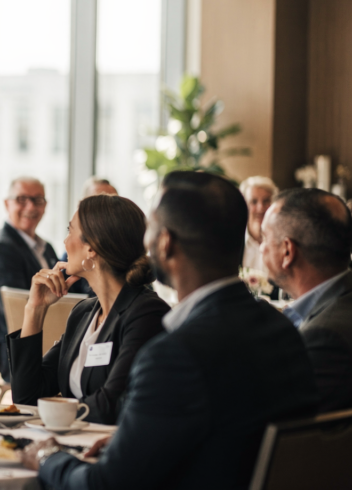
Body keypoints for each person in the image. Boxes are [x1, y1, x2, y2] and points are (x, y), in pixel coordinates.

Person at [23, 171, 318, 490]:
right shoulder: (284, 330)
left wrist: (49, 458)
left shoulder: (174, 354)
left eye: (152, 229)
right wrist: (134, 444)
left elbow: (105, 485)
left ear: (165, 243)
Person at [5, 195, 170, 425]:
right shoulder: (83, 313)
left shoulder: (146, 314)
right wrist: (35, 309)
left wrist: (52, 418)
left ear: (91, 247)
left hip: (109, 451)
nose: (64, 241)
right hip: (72, 443)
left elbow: (111, 405)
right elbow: (27, 398)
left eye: (70, 231)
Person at [260, 188, 352, 412]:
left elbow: (285, 423)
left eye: (265, 238)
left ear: (287, 252)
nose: (261, 248)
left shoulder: (325, 337)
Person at [0, 177, 59, 380]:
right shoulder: (1, 250)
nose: (30, 206)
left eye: (37, 200)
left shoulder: (46, 248)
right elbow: (17, 313)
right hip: (20, 353)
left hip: (50, 341)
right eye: (22, 199)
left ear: (45, 206)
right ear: (7, 204)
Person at [240, 175, 277, 271]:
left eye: (266, 201)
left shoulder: (281, 243)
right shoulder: (234, 242)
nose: (260, 208)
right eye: (254, 201)